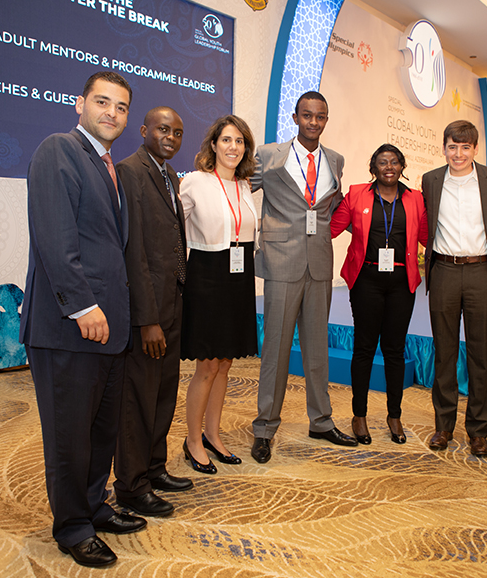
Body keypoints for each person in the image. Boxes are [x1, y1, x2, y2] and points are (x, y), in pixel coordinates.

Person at [19, 71, 144, 568]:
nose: (112, 113)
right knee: (69, 435)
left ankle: (93, 506)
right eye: (102, 102)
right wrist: (81, 305)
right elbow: (54, 236)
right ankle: (71, 526)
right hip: (70, 326)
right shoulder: (59, 150)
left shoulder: (108, 165)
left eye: (121, 106)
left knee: (99, 431)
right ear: (80, 104)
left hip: (108, 329)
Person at [251, 91, 355, 464]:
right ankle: (264, 427)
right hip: (281, 262)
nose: (314, 122)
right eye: (307, 116)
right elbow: (241, 193)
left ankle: (321, 421)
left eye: (320, 116)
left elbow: (329, 206)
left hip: (319, 264)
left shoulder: (335, 161)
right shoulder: (268, 155)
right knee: (276, 351)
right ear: (295, 118)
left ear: (326, 119)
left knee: (317, 350)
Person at [112, 106, 192, 517]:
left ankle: (154, 467)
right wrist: (147, 320)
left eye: (177, 132)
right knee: (138, 398)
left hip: (173, 300)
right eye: (163, 129)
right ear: (143, 130)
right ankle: (130, 484)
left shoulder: (169, 174)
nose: (171, 138)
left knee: (163, 393)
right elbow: (134, 250)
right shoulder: (129, 171)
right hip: (149, 313)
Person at [330, 144, 428, 444]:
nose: (389, 167)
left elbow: (427, 236)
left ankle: (394, 415)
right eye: (382, 162)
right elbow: (333, 227)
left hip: (402, 282)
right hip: (366, 280)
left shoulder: (415, 199)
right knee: (364, 348)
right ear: (373, 168)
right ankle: (358, 415)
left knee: (395, 351)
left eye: (395, 162)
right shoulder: (358, 194)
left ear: (402, 167)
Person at [421, 120, 487, 457]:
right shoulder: (431, 180)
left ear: (475, 149)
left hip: (482, 272)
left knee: (480, 355)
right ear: (444, 148)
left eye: (465, 147)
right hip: (443, 270)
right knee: (444, 354)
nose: (458, 154)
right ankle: (443, 426)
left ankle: (478, 431)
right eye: (452, 147)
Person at [179, 115, 259, 473]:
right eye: (226, 140)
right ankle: (192, 440)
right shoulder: (195, 182)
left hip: (239, 279)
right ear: (213, 144)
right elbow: (171, 225)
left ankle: (213, 434)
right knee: (207, 365)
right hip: (208, 276)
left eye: (239, 141)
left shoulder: (245, 186)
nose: (233, 147)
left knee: (225, 363)